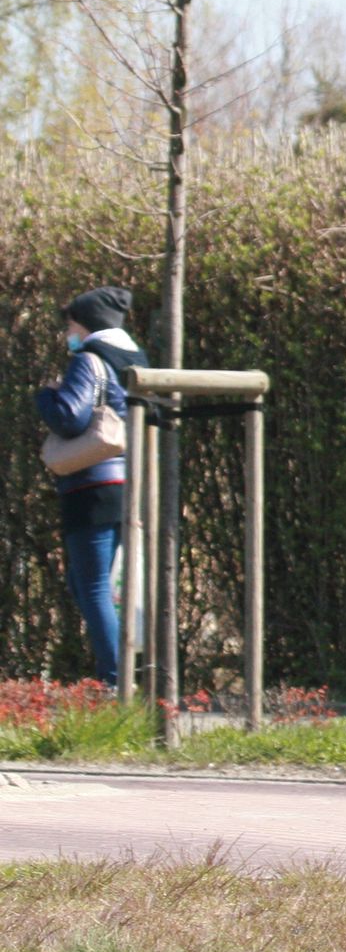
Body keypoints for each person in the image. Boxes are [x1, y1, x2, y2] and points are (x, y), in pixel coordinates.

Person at [34, 287, 147, 688]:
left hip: (92, 483)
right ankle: (121, 674)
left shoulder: (89, 359)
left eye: (71, 325)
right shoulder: (135, 358)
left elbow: (69, 417)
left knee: (93, 584)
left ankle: (116, 681)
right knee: (92, 584)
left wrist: (46, 395)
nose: (69, 333)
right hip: (128, 481)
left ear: (86, 324)